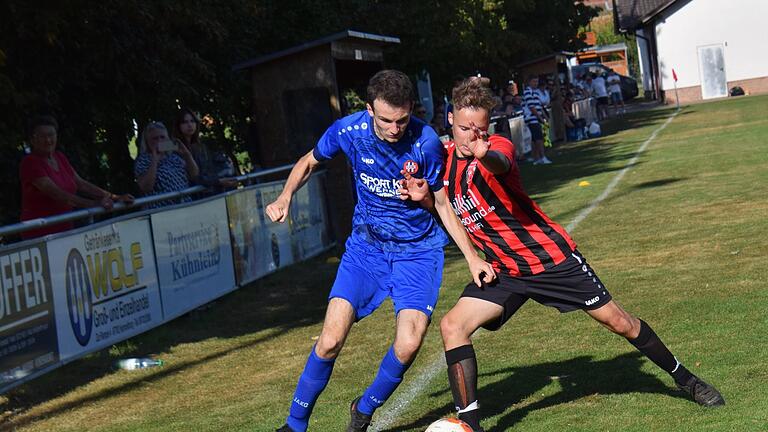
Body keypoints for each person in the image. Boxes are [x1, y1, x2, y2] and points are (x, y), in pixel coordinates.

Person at [400, 78, 725, 432]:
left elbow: (499, 162)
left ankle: (686, 379)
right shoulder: (443, 162)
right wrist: (427, 200)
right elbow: (451, 211)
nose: (470, 136)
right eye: (464, 128)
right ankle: (471, 426)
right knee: (453, 326)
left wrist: (484, 153)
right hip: (504, 270)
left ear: (488, 126)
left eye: (478, 129)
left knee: (620, 323)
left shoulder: (499, 147)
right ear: (450, 120)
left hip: (550, 260)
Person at [267, 70, 495, 432]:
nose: (395, 128)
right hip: (367, 248)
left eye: (402, 120)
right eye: (387, 120)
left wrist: (471, 256)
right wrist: (285, 196)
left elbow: (441, 202)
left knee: (408, 345)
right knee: (328, 341)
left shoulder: (426, 142)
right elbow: (309, 160)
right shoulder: (348, 131)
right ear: (369, 109)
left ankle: (364, 408)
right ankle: (294, 426)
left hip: (418, 253)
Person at [19, 115, 134, 239]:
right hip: (40, 234)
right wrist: (93, 204)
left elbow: (81, 184)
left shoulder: (59, 157)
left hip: (64, 229)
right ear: (32, 139)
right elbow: (57, 193)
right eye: (42, 136)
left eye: (51, 135)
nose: (48, 140)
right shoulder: (30, 163)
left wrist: (115, 197)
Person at [173, 107, 238, 195]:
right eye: (185, 122)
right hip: (188, 193)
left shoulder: (200, 146)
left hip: (206, 192)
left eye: (192, 121)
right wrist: (217, 181)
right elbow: (193, 177)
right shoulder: (173, 145)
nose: (189, 125)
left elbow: (206, 172)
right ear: (178, 125)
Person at [134, 121, 199, 208]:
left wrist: (187, 155)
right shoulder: (143, 160)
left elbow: (194, 175)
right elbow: (146, 187)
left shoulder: (173, 156)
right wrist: (154, 161)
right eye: (155, 138)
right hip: (160, 210)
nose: (159, 141)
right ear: (147, 142)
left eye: (162, 137)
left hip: (184, 206)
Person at [522, 75, 551, 165]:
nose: (536, 83)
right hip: (532, 118)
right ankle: (542, 157)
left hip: (535, 118)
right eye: (534, 81)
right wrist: (541, 118)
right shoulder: (527, 92)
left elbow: (539, 105)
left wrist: (544, 116)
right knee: (539, 138)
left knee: (535, 139)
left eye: (537, 82)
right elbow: (532, 107)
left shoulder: (535, 93)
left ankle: (536, 158)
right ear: (529, 82)